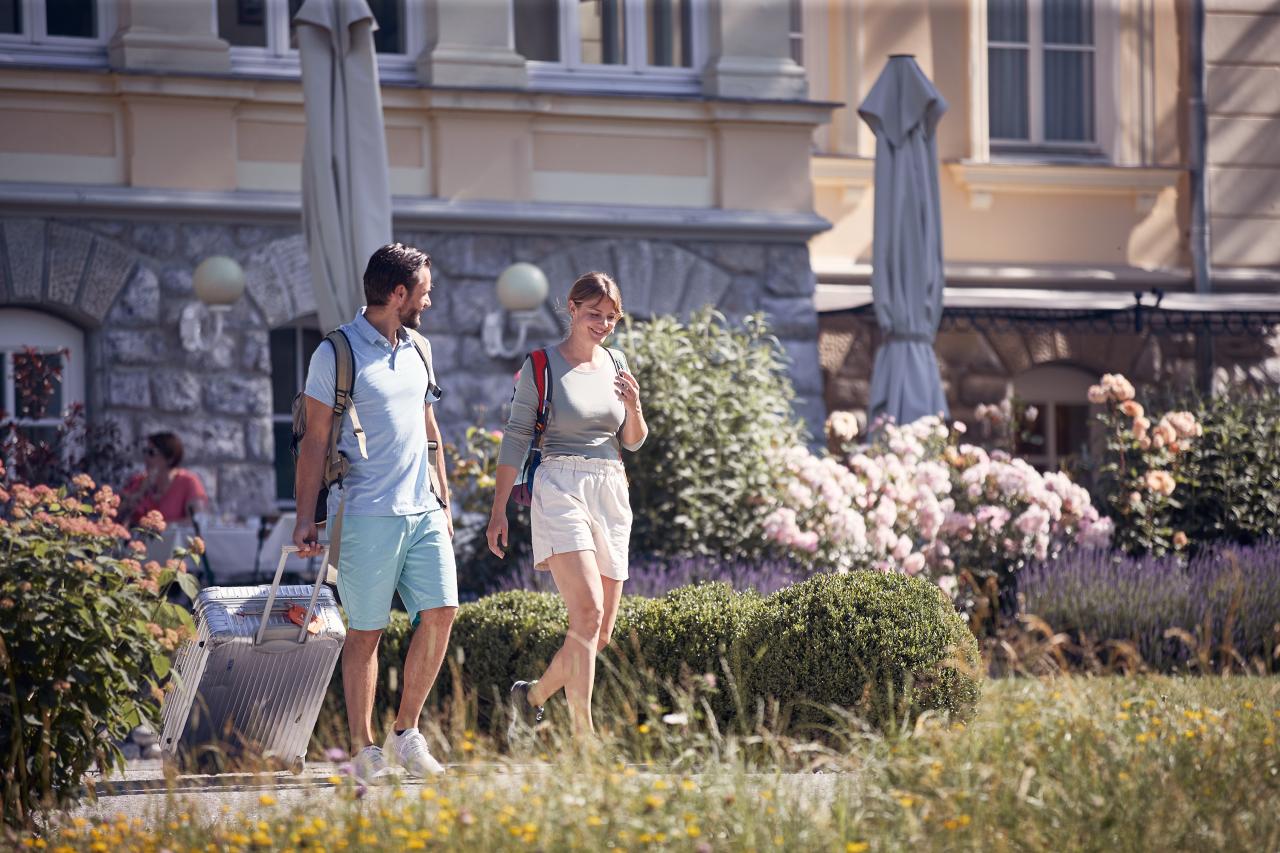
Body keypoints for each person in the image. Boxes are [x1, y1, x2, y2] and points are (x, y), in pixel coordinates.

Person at [292, 243, 457, 782]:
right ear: (398, 293)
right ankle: (366, 752)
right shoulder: (335, 353)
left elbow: (431, 431)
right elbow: (315, 441)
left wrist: (445, 501)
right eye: (424, 292)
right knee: (366, 632)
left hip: (423, 509)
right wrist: (304, 519)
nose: (429, 301)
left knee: (441, 613)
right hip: (364, 512)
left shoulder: (419, 349)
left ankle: (406, 733)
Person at [486, 271, 648, 737]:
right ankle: (583, 738)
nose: (602, 324)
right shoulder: (541, 365)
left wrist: (635, 407)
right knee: (588, 614)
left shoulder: (616, 362)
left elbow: (633, 442)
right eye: (594, 314)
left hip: (612, 487)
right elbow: (517, 437)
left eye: (611, 317)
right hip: (559, 484)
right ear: (571, 309)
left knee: (599, 634)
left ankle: (531, 697)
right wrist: (499, 510)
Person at [121, 432, 209, 527]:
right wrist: (140, 493)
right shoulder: (137, 481)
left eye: (151, 453)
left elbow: (197, 520)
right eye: (145, 451)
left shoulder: (188, 482)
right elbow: (116, 516)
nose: (146, 457)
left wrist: (159, 528)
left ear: (170, 458)